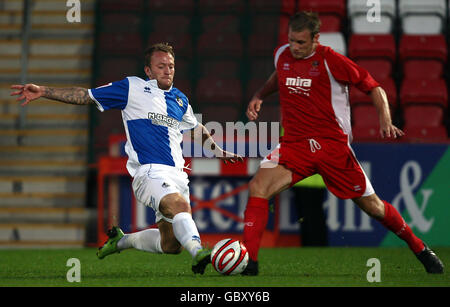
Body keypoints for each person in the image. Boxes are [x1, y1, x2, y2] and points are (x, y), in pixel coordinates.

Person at [11, 42, 243, 275]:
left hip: (178, 176)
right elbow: (86, 95)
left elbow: (196, 127)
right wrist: (44, 91)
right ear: (148, 71)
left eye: (171, 66)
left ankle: (121, 241)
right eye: (160, 66)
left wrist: (217, 150)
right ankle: (199, 253)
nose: (167, 70)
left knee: (170, 245)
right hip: (149, 172)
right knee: (180, 207)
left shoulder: (180, 99)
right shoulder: (132, 87)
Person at [241, 12, 444, 275]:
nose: (295, 47)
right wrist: (259, 94)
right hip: (295, 145)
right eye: (292, 40)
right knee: (258, 187)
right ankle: (251, 265)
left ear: (316, 38)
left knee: (374, 207)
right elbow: (279, 76)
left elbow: (374, 87)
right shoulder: (282, 55)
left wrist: (384, 119)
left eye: (301, 43)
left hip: (332, 148)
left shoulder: (330, 60)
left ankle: (420, 249)